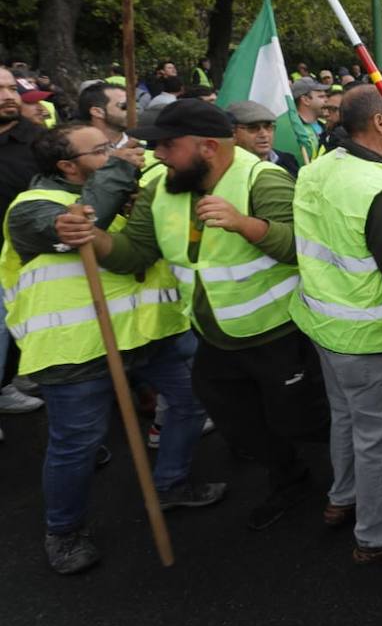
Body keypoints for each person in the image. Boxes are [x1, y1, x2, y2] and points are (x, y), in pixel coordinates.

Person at [55, 99, 329, 531]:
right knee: (239, 424)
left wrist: (246, 224)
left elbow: (304, 249)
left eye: (166, 145)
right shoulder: (160, 187)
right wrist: (95, 239)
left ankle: (346, 476)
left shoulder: (264, 179)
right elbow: (136, 254)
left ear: (206, 147)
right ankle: (289, 478)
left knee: (301, 418)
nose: (156, 154)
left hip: (278, 333)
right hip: (212, 337)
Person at [1, 124, 223, 573]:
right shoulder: (32, 209)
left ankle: (170, 483)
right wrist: (121, 169)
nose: (118, 153)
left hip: (149, 333)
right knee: (77, 443)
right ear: (66, 166)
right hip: (78, 346)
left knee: (190, 401)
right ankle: (63, 531)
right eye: (102, 149)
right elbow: (83, 224)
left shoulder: (123, 190)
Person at [291, 87, 382, 563]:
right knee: (376, 439)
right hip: (370, 339)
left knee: (345, 419)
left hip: (323, 326)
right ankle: (375, 535)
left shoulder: (316, 169)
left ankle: (342, 497)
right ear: (377, 123)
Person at [0, 66, 44, 423]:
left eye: (12, 88)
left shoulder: (39, 140)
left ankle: (10, 380)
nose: (8, 96)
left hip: (27, 255)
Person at [227, 101, 300, 177]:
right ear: (233, 133)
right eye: (253, 128)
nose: (264, 134)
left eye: (268, 127)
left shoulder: (288, 161)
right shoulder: (224, 167)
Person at [76, 82, 131, 149]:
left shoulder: (143, 146)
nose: (134, 111)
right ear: (97, 112)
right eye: (124, 106)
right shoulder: (73, 150)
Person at [292, 77, 329, 149]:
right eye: (321, 97)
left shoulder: (325, 125)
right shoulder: (293, 129)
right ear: (306, 100)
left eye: (326, 96)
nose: (327, 100)